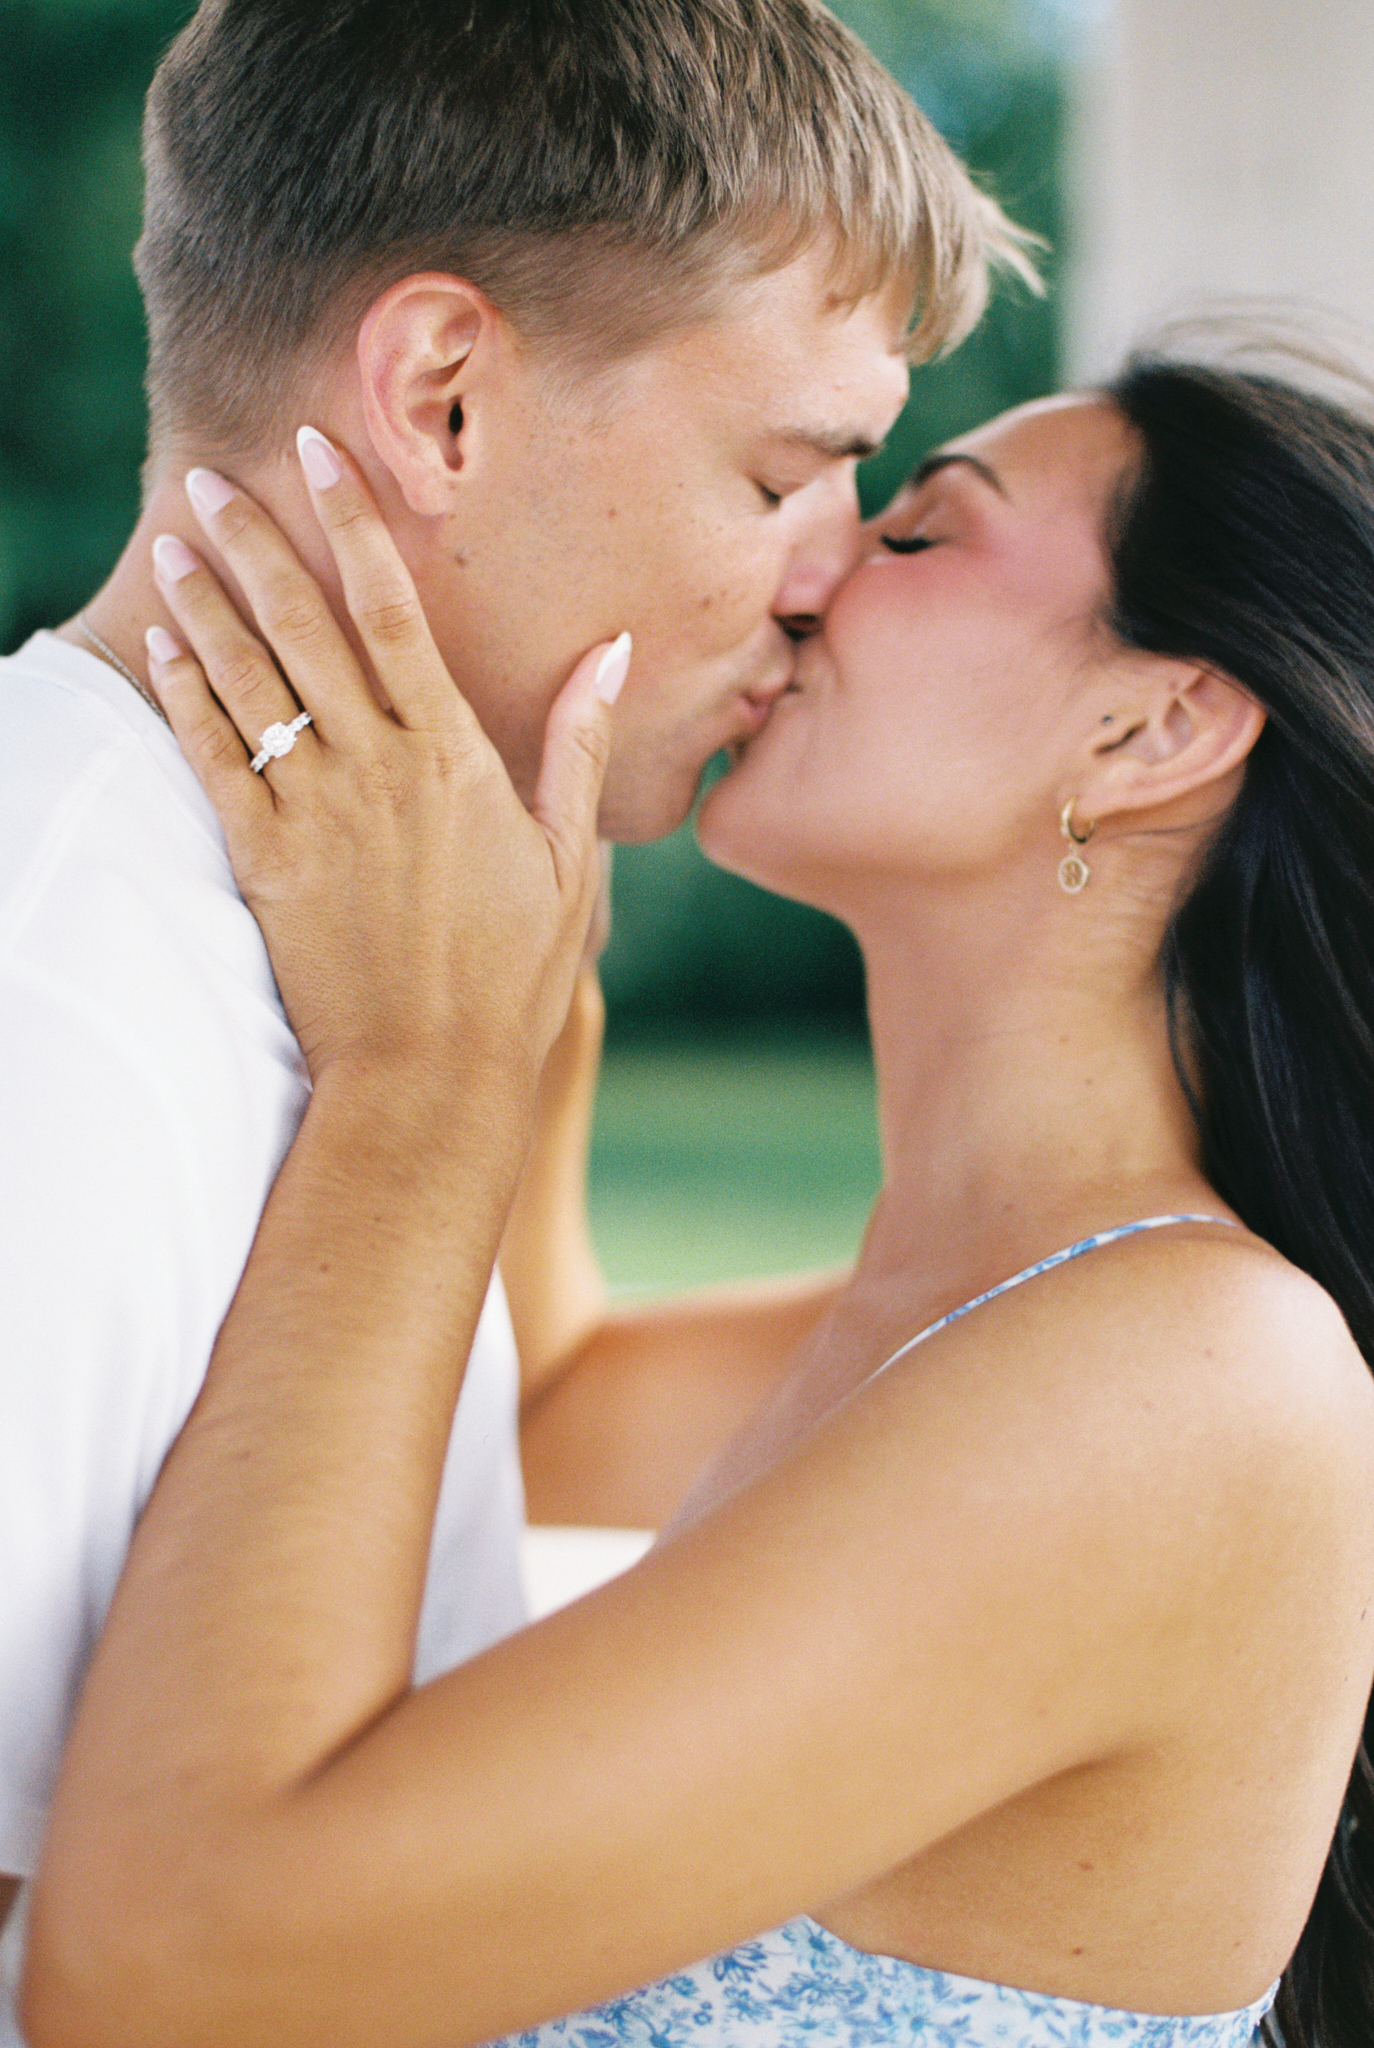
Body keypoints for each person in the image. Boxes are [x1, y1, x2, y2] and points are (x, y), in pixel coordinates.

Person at [21, 351, 1374, 2048]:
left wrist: (417, 1095)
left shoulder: (1195, 1383)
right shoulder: (988, 1310)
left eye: (917, 538)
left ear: (1147, 723)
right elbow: (556, 1405)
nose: (804, 579)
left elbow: (164, 1978)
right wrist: (515, 982)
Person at [0, 0, 1033, 2029]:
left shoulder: (372, 955)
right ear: (445, 399)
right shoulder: (53, 1002)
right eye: (785, 472)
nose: (835, 580)